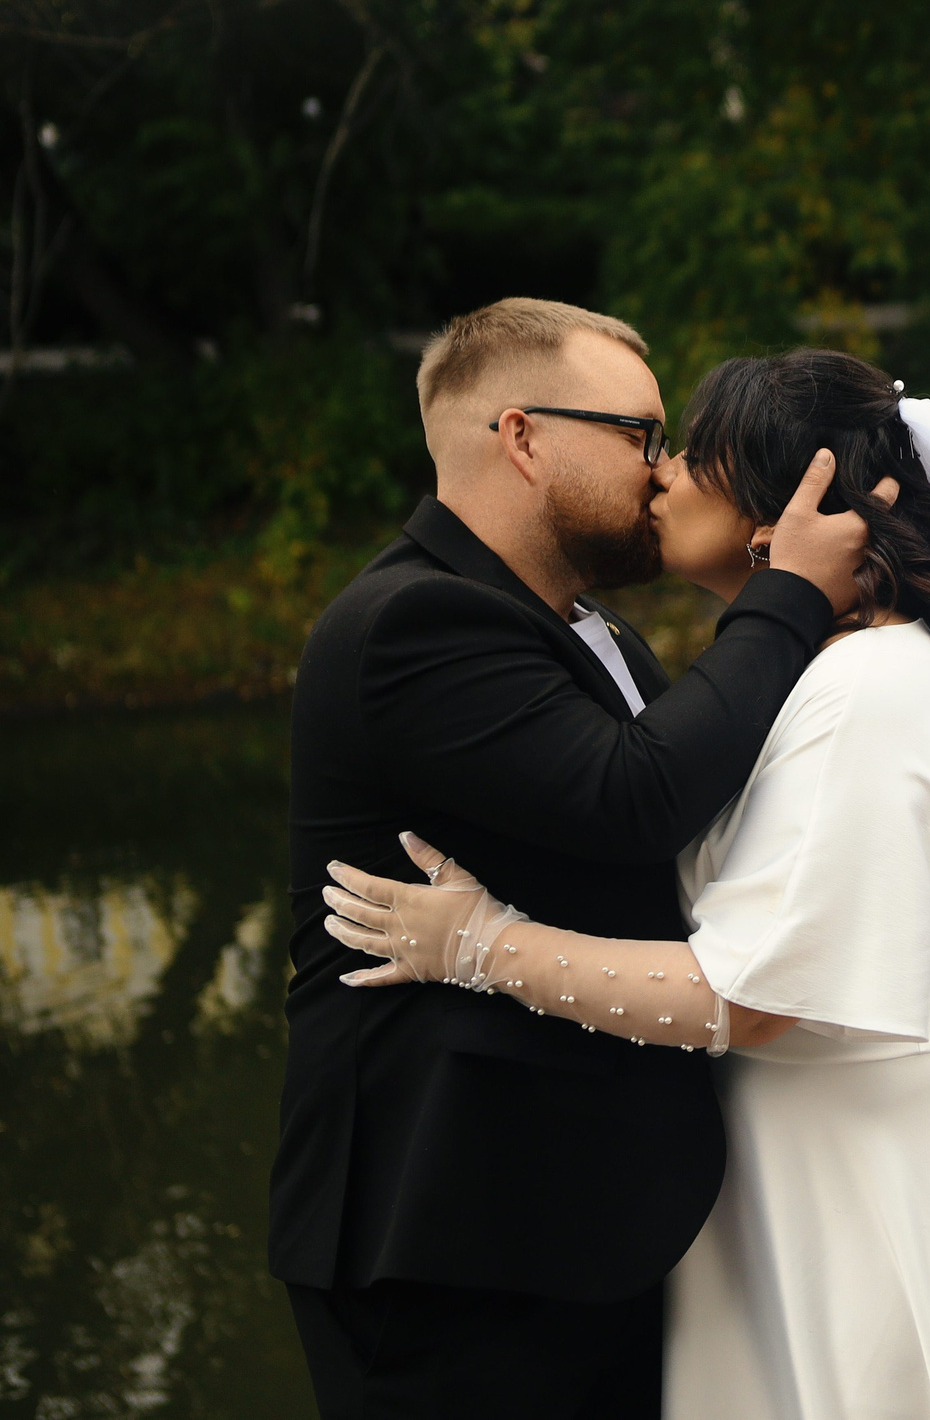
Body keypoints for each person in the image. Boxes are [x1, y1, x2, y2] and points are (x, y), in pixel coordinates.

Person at [322, 348, 930, 1420]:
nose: (659, 475)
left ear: (778, 511)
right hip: (824, 1163)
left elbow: (755, 998)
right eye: (648, 445)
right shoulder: (820, 670)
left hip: (888, 1182)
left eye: (688, 455)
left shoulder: (866, 690)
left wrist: (481, 946)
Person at [271, 300, 884, 1419]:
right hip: (450, 1242)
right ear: (522, 437)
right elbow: (635, 796)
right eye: (641, 435)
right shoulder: (413, 623)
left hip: (574, 1222)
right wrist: (790, 595)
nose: (661, 473)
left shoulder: (585, 626)